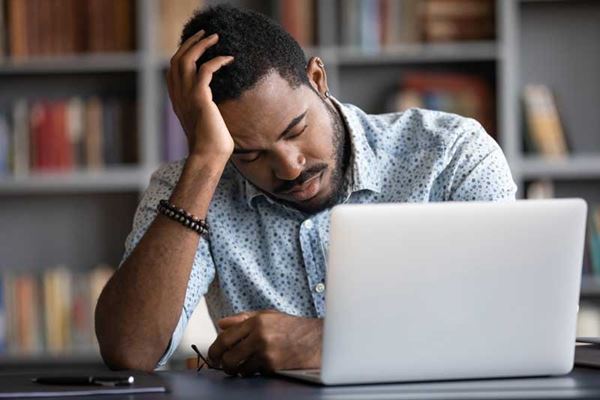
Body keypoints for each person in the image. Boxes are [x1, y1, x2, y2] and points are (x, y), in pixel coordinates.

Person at [95, 5, 517, 376]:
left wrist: (326, 341)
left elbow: (511, 319)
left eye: (296, 130)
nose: (289, 166)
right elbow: (131, 351)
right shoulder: (191, 185)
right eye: (249, 155)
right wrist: (205, 161)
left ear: (317, 78)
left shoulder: (450, 153)